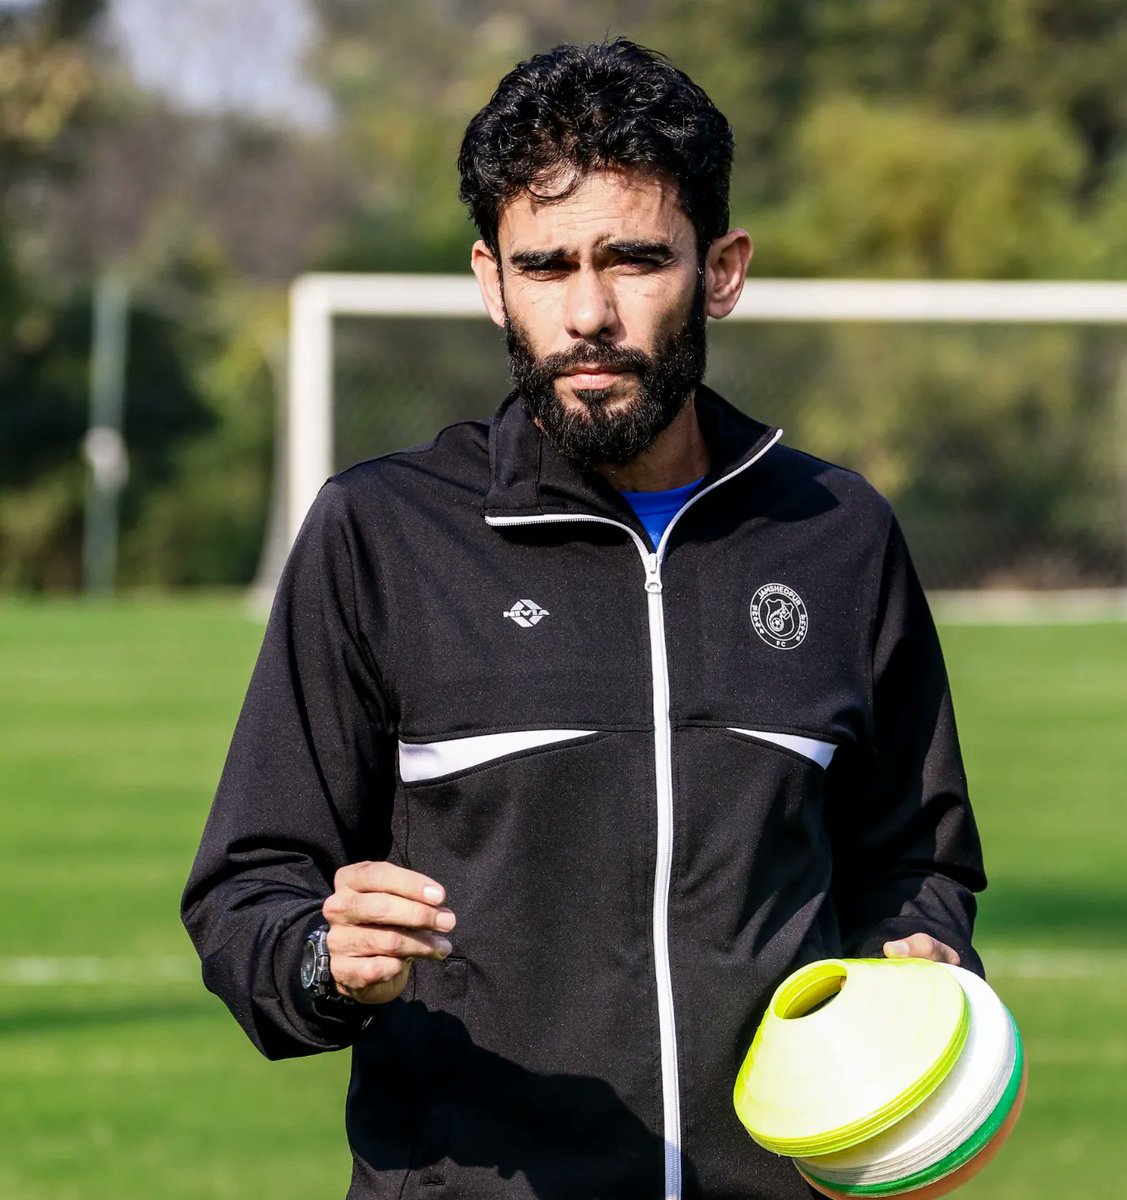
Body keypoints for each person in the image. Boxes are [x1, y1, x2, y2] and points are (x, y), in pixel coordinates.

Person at [183, 38, 986, 1200]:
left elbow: (915, 855)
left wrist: (921, 952)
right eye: (546, 265)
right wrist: (325, 957)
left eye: (636, 260)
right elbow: (247, 894)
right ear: (489, 278)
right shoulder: (383, 533)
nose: (590, 312)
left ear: (721, 270)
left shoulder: (839, 534)